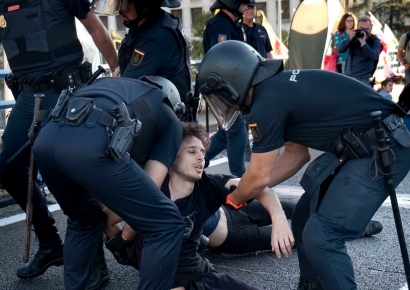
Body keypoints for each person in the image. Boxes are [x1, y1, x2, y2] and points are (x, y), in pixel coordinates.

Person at [197, 40, 410, 290]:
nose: (224, 103)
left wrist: (236, 197)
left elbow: (259, 176)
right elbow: (296, 155)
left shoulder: (267, 103)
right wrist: (247, 187)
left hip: (383, 146)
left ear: (230, 84)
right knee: (302, 216)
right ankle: (312, 285)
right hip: (364, 144)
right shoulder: (275, 90)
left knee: (322, 236)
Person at [0, 0, 118, 287]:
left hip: (66, 91)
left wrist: (117, 68)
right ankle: (51, 243)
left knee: (69, 173)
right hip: (28, 98)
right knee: (6, 168)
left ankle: (95, 261)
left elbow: (93, 26)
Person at [32, 77, 186, 290]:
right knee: (166, 224)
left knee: (83, 221)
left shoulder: (115, 86)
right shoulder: (169, 118)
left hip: (46, 138)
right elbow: (150, 186)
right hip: (92, 140)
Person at [103, 122, 294, 289]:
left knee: (295, 210)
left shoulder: (210, 185)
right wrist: (127, 235)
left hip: (228, 217)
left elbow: (260, 188)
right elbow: (107, 220)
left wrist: (278, 218)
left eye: (202, 151)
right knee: (294, 238)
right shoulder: (152, 188)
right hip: (202, 268)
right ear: (173, 156)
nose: (201, 157)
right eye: (192, 151)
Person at [102, 0, 196, 121]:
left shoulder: (157, 36)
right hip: (159, 116)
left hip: (173, 126)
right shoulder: (146, 26)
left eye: (125, 3)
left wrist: (116, 81)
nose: (119, 9)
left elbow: (125, 88)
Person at [203, 0, 250, 177]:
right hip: (225, 87)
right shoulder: (221, 25)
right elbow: (221, 60)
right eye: (243, 3)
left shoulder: (229, 24)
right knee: (237, 128)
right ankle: (239, 178)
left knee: (226, 132)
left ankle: (198, 160)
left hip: (229, 86)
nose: (246, 6)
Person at [338, 15, 382, 86]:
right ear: (357, 28)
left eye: (367, 29)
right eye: (362, 29)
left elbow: (374, 55)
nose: (364, 31)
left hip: (363, 78)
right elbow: (340, 49)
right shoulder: (354, 38)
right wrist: (349, 38)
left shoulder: (374, 40)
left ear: (371, 28)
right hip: (348, 76)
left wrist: (363, 43)